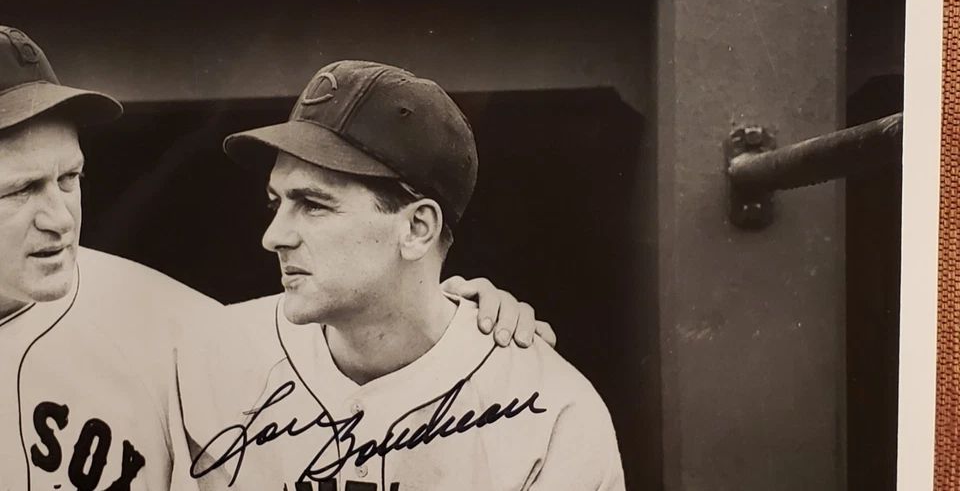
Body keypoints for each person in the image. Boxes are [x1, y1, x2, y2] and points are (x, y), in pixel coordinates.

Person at [0, 27, 552, 491]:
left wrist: (462, 323)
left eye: (69, 178)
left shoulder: (178, 332)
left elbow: (373, 354)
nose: (60, 218)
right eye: (19, 190)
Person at [193, 60, 625, 490]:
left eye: (313, 205)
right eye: (276, 203)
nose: (274, 237)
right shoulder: (210, 359)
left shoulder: (551, 409)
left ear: (417, 229)